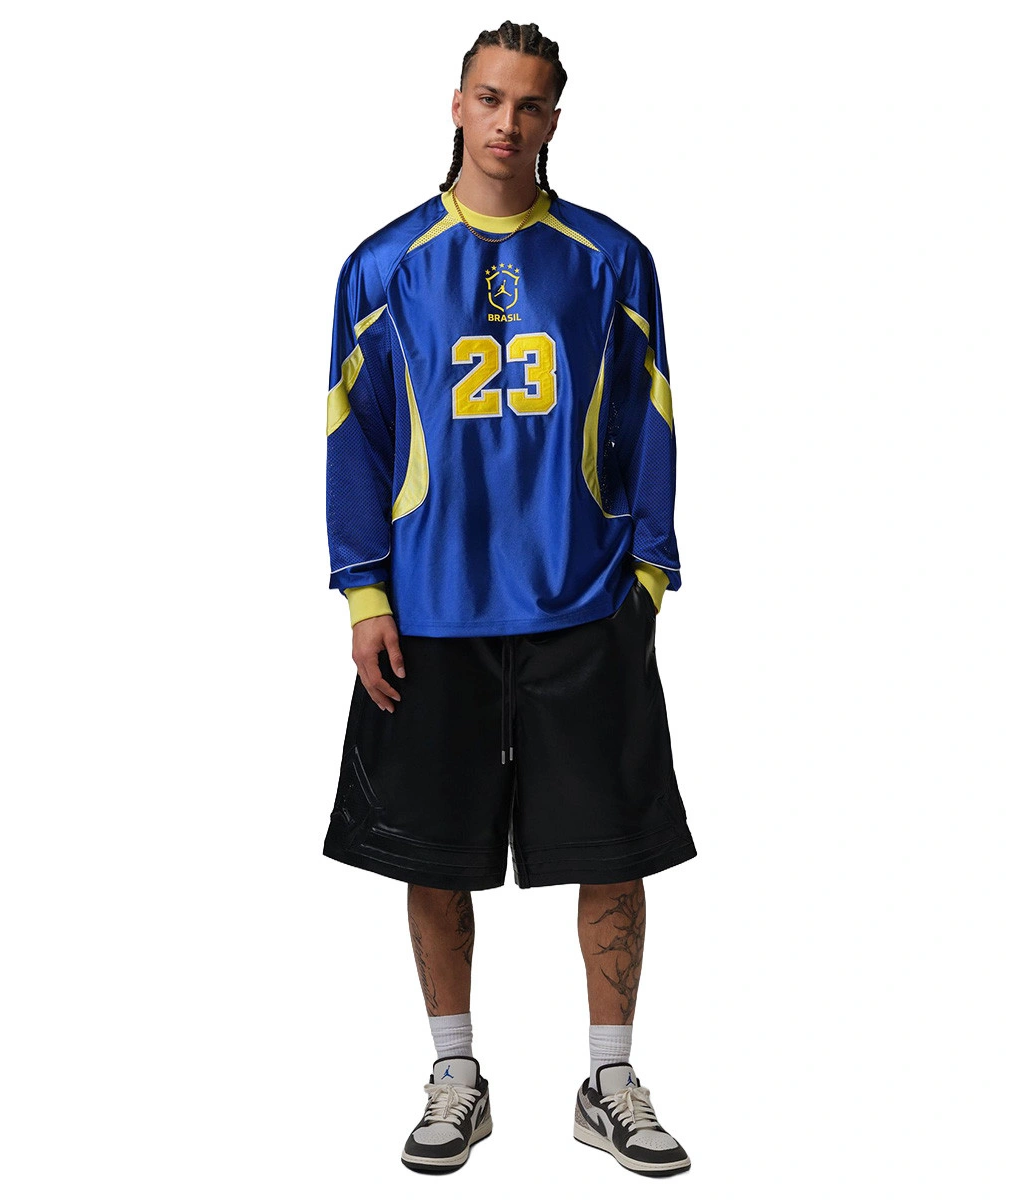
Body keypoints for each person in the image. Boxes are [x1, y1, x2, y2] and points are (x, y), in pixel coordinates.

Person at [321, 20, 695, 1177]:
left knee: (616, 850)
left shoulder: (610, 259)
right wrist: (363, 593)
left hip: (581, 605)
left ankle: (610, 1080)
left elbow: (654, 414)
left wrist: (646, 575)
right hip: (432, 613)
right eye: (489, 98)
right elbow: (352, 434)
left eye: (529, 104)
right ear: (456, 105)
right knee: (432, 856)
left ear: (553, 121)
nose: (506, 121)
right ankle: (455, 1074)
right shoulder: (382, 267)